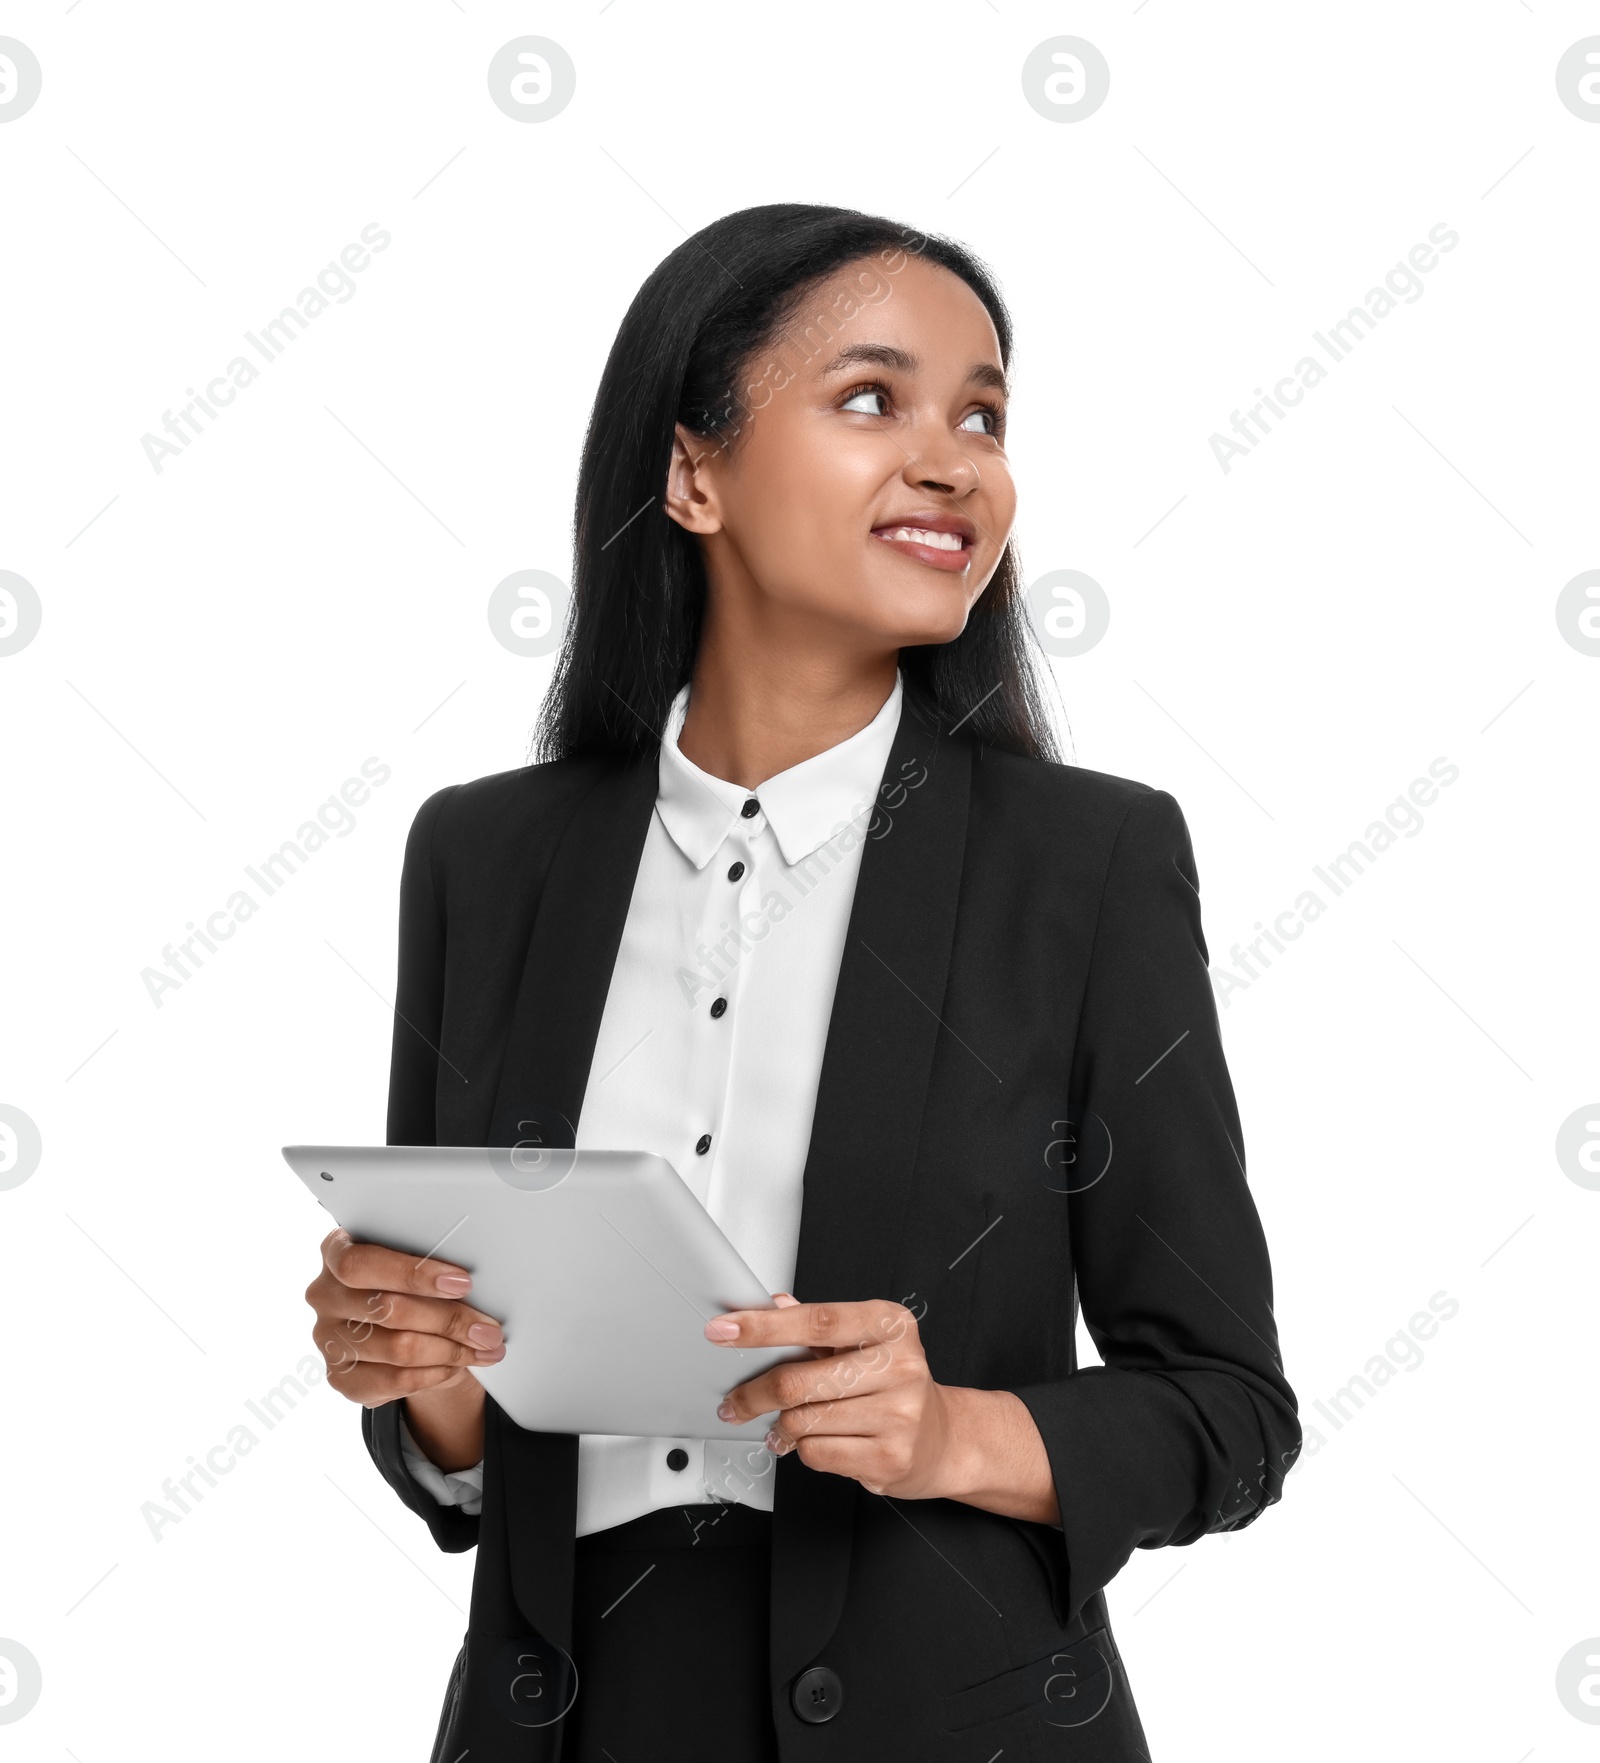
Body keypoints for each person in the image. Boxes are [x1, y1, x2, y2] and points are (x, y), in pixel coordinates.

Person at [305, 202, 1301, 1761]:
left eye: (983, 415)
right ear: (694, 472)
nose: (954, 459)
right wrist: (425, 1387)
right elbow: (469, 1445)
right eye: (872, 399)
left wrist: (952, 1432)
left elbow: (1232, 1415)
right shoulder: (487, 858)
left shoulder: (1088, 864)